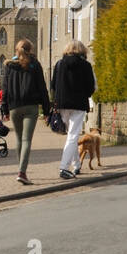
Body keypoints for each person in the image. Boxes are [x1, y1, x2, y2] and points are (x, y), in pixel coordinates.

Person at [1, 38, 50, 185]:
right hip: (31, 107)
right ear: (31, 50)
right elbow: (42, 88)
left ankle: (21, 170)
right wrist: (47, 110)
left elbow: (5, 89)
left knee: (18, 138)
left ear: (17, 50)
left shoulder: (9, 66)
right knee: (26, 139)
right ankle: (22, 172)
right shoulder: (35, 65)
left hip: (14, 107)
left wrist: (4, 109)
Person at [52, 39, 96, 179]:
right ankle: (63, 168)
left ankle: (76, 165)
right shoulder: (86, 65)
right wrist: (84, 95)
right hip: (78, 104)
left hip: (62, 104)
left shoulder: (59, 64)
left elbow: (53, 85)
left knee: (72, 136)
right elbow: (91, 87)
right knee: (73, 136)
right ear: (82, 51)